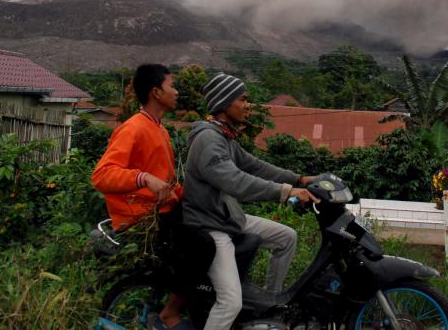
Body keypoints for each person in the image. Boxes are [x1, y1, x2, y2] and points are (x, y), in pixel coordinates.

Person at [183, 73, 319, 330]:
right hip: (210, 225)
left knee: (286, 237)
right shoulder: (209, 140)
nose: (248, 105)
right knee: (230, 302)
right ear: (225, 103)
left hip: (227, 217)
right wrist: (286, 192)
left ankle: (268, 309)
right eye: (243, 99)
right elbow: (237, 182)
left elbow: (254, 165)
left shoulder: (224, 136)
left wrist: (299, 179)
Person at [92, 64, 215, 330]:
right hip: (143, 218)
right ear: (156, 92)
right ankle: (170, 312)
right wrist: (143, 178)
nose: (177, 91)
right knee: (203, 244)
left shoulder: (159, 129)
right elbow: (102, 176)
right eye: (172, 86)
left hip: (164, 210)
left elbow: (167, 180)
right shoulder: (133, 128)